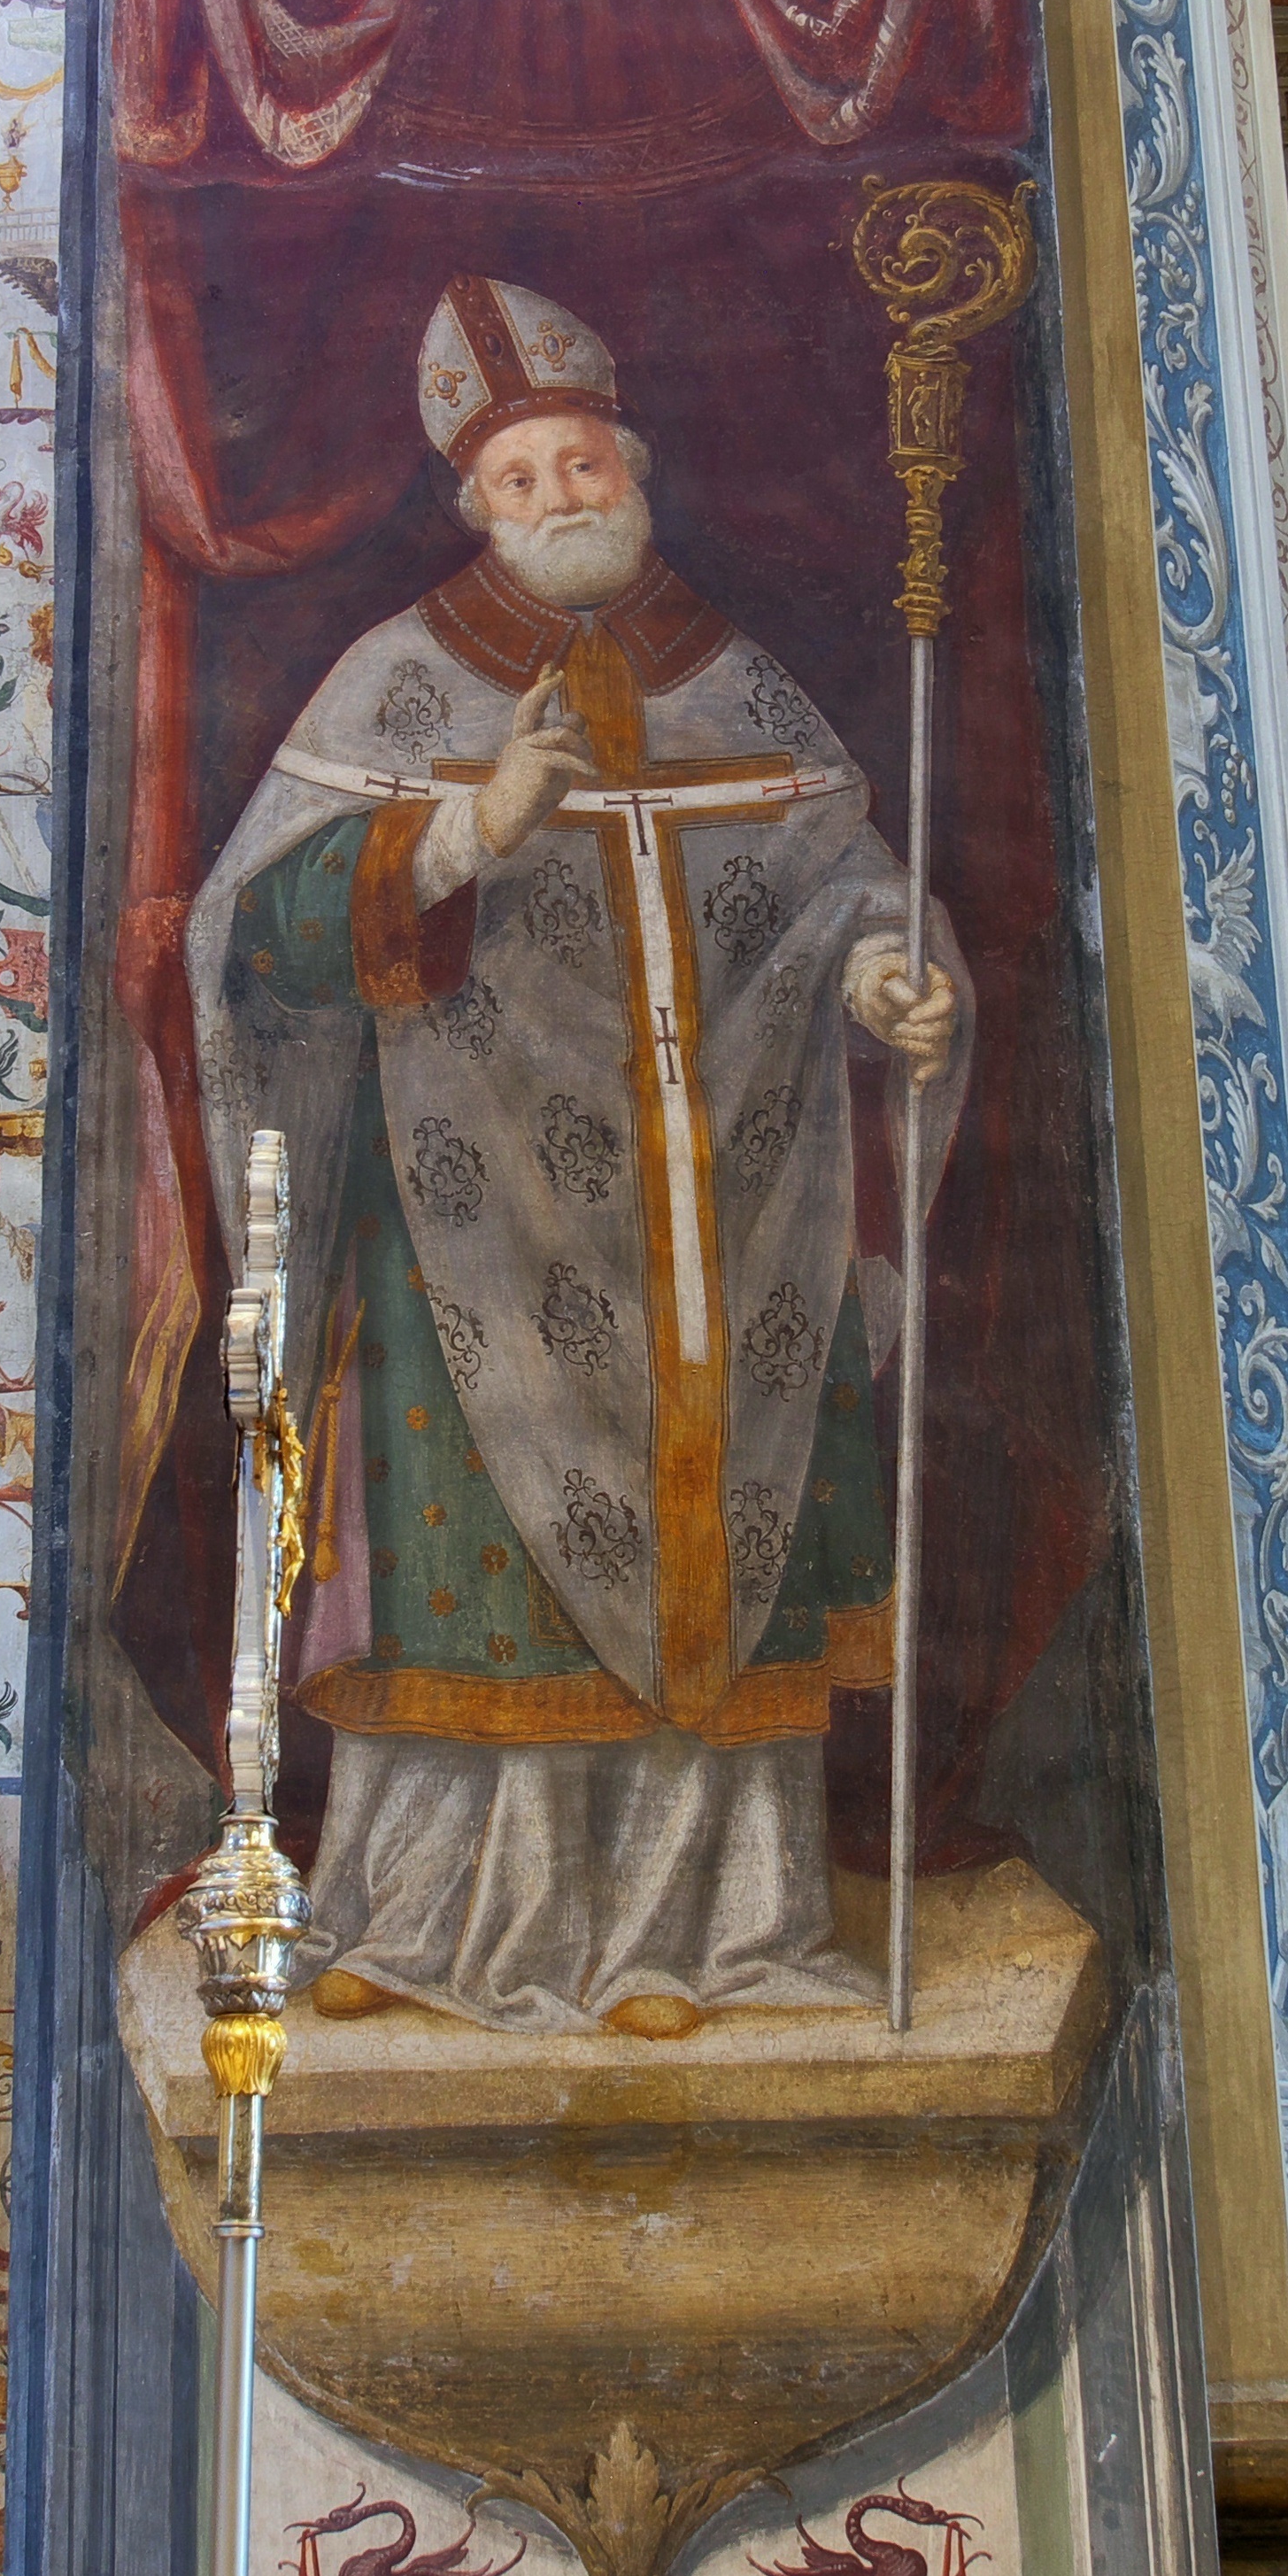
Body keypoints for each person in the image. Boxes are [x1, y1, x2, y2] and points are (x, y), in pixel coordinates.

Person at [189, 278, 966, 2038]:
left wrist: (883, 972)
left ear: (635, 465)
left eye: (577, 460)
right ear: (473, 498)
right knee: (487, 1568)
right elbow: (257, 935)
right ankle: (426, 1921)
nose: (554, 495)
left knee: (730, 1533)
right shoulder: (391, 682)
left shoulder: (737, 676)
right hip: (474, 1218)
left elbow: (835, 881)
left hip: (725, 1207)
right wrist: (465, 825)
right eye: (519, 473)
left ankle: (709, 1931)